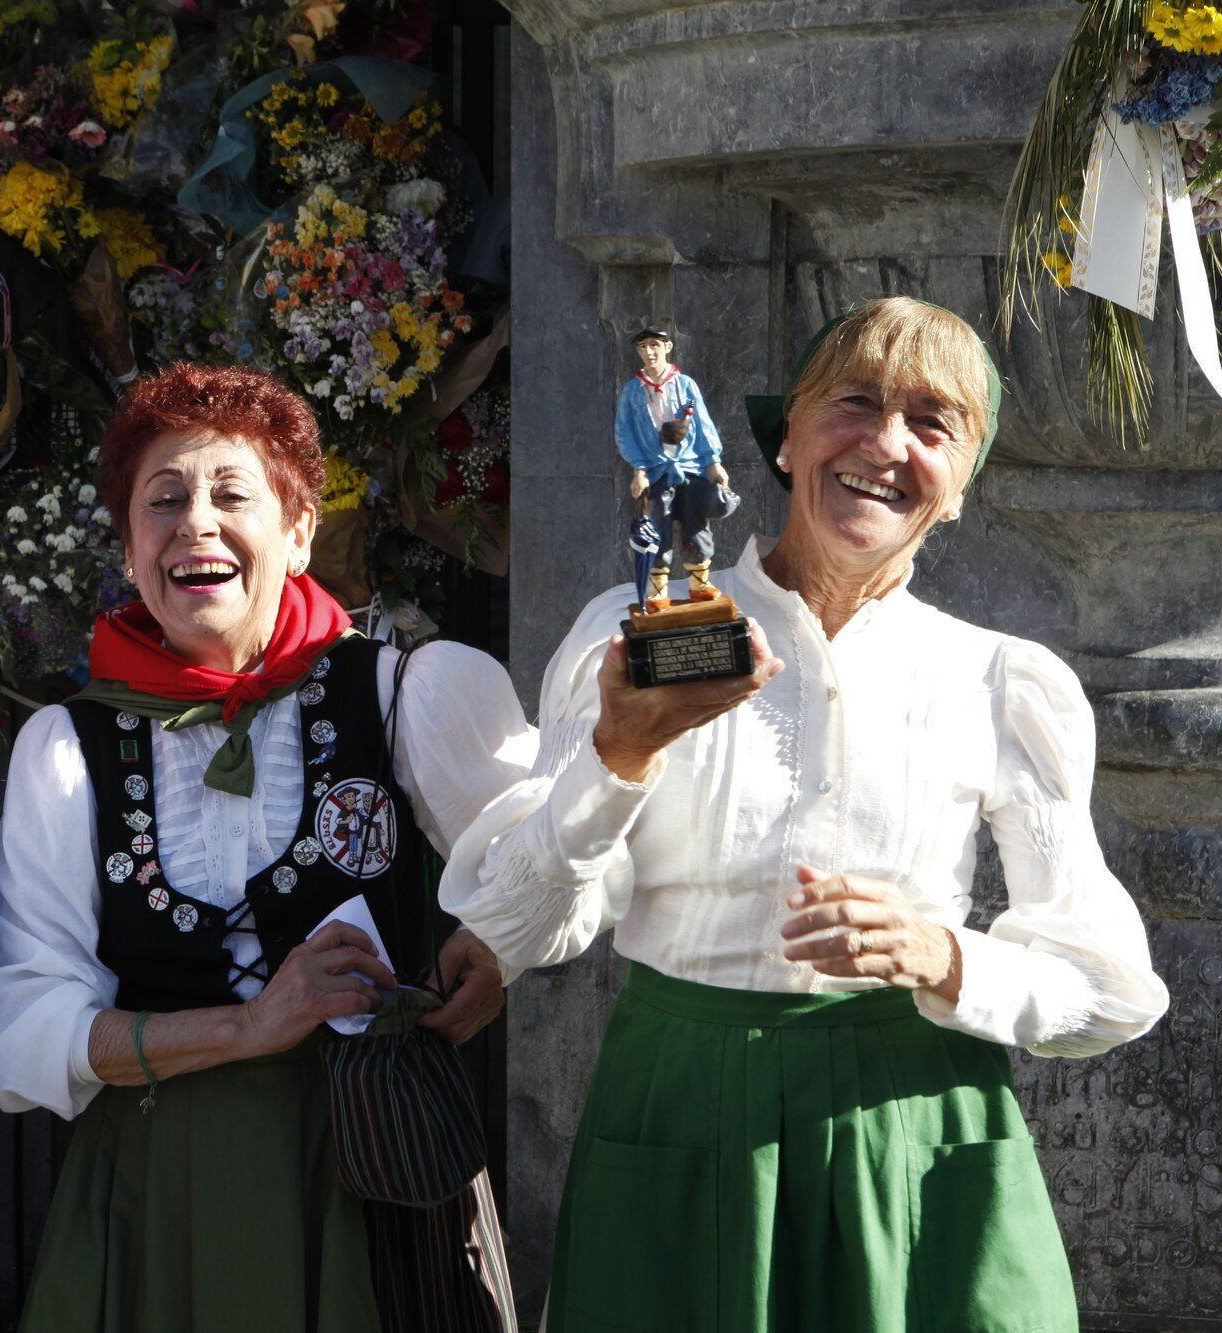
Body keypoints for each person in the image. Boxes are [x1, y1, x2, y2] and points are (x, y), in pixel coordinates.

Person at [445, 297, 1169, 1332]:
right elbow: (523, 925)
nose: (884, 443)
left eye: (933, 423)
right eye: (854, 403)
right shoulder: (637, 630)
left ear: (960, 486)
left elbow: (1108, 989)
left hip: (915, 1133)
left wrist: (942, 956)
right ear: (782, 437)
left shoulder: (999, 680)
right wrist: (621, 750)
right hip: (681, 1107)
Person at [0, 364, 536, 1333]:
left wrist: (500, 940)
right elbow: (18, 1023)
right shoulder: (70, 749)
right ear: (129, 544)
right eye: (162, 500)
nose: (194, 521)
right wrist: (240, 1028)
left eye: (231, 494)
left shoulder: (406, 694)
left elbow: (550, 860)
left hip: (370, 1181)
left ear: (299, 529)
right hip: (159, 1194)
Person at [615, 324, 730, 608]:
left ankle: (700, 585)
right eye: (643, 347)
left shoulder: (685, 385)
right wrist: (639, 469)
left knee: (696, 528)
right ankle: (657, 591)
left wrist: (713, 462)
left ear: (667, 347)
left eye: (654, 345)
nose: (649, 352)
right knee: (657, 530)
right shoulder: (632, 392)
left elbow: (702, 423)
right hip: (655, 472)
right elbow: (624, 432)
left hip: (689, 469)